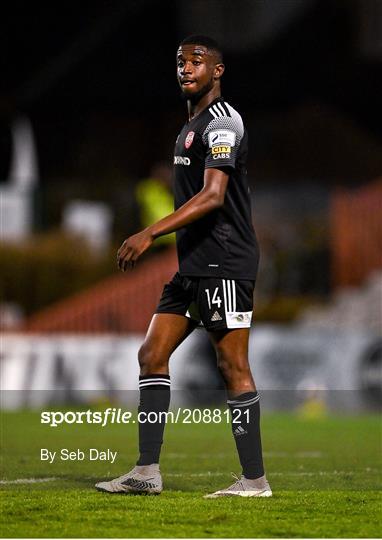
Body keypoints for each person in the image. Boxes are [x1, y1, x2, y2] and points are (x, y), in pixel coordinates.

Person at [95, 35, 272, 498]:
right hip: (193, 264)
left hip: (226, 262)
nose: (186, 68)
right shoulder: (189, 125)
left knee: (232, 364)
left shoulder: (222, 123)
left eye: (197, 61)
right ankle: (146, 472)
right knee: (152, 355)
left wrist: (151, 231)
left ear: (218, 71)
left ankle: (254, 481)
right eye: (180, 61)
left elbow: (214, 196)